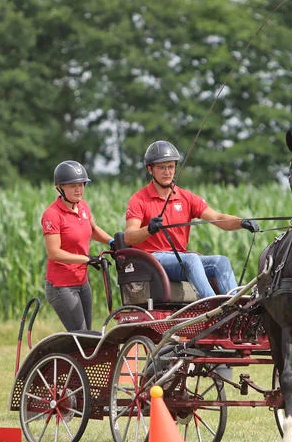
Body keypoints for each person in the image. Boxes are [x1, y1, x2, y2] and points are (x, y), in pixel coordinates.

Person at [122, 140, 259, 298]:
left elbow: (217, 217)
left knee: (221, 261)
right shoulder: (139, 199)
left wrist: (241, 222)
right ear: (150, 169)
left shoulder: (186, 197)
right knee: (192, 259)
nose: (167, 172)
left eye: (171, 167)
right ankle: (213, 305)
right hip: (154, 260)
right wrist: (149, 229)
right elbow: (129, 236)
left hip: (180, 259)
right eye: (161, 167)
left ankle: (236, 306)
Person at [41, 160, 114, 332]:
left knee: (86, 334)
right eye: (73, 185)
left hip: (82, 281)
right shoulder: (52, 214)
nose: (78, 190)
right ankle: (64, 359)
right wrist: (86, 259)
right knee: (80, 336)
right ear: (60, 187)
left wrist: (112, 242)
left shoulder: (83, 208)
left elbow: (94, 229)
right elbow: (54, 253)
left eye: (81, 185)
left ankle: (74, 359)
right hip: (62, 286)